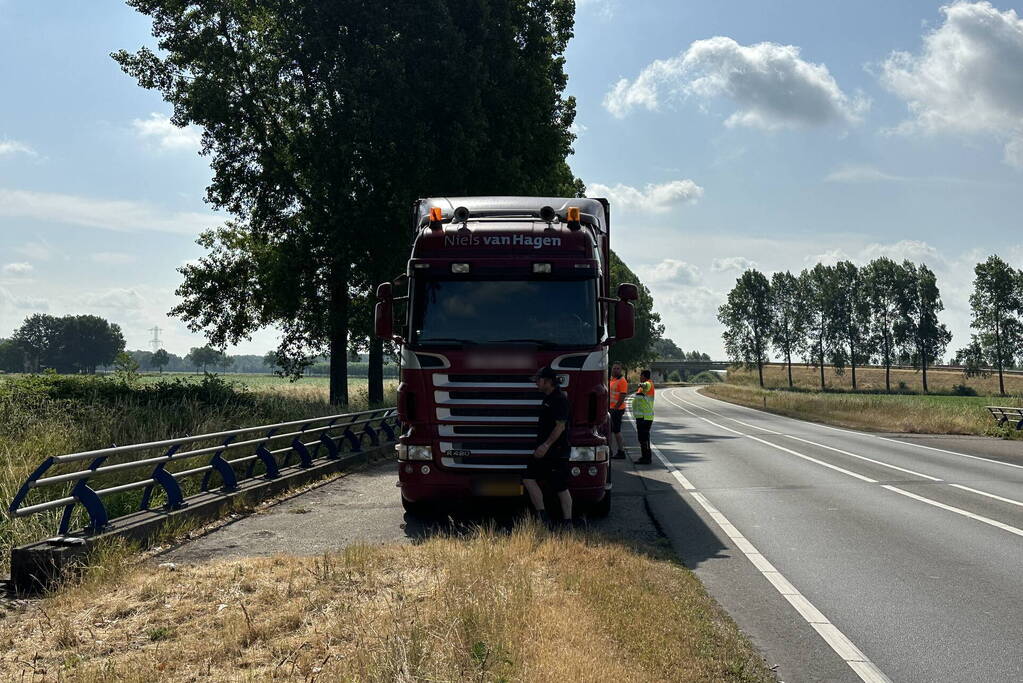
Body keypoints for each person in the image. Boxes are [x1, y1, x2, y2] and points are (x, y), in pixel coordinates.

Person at [523, 365, 574, 527]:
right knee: (528, 477)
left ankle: (567, 522)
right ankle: (543, 517)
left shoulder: (559, 400)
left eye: (539, 380)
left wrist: (545, 446)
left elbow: (560, 426)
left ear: (548, 381)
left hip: (556, 451)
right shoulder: (548, 398)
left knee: (561, 487)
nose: (536, 383)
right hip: (544, 451)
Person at [632, 369, 655, 464]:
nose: (639, 377)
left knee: (644, 438)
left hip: (645, 417)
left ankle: (647, 458)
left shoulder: (648, 384)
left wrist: (642, 384)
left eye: (641, 376)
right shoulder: (643, 387)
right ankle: (644, 456)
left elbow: (647, 385)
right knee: (642, 438)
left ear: (644, 376)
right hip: (641, 416)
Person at [608, 362, 629, 459]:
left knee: (616, 431)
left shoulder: (622, 381)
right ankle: (610, 451)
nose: (615, 370)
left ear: (621, 370)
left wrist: (615, 409)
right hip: (611, 409)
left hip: (617, 409)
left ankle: (621, 451)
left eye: (617, 368)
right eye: (614, 368)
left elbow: (622, 396)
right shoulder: (612, 380)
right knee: (610, 431)